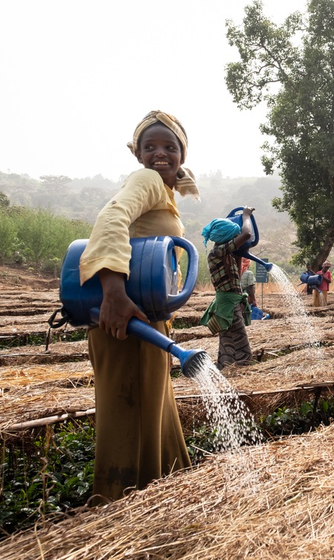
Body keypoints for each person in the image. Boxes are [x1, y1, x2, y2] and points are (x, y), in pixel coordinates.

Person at [78, 110, 200, 503]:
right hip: (123, 320)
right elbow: (111, 216)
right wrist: (113, 291)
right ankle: (121, 510)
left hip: (145, 323)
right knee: (129, 422)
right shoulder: (146, 180)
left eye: (169, 147)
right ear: (138, 154)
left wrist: (165, 334)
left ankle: (161, 501)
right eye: (150, 147)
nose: (159, 154)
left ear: (182, 153)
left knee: (155, 416)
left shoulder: (165, 192)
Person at [199, 209, 255, 370]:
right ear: (226, 237)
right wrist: (246, 216)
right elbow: (246, 234)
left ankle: (225, 371)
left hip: (231, 303)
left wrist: (239, 253)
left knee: (228, 343)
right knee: (242, 346)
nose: (235, 240)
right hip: (227, 306)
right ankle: (241, 375)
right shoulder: (217, 252)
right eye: (233, 237)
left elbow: (236, 276)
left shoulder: (225, 254)